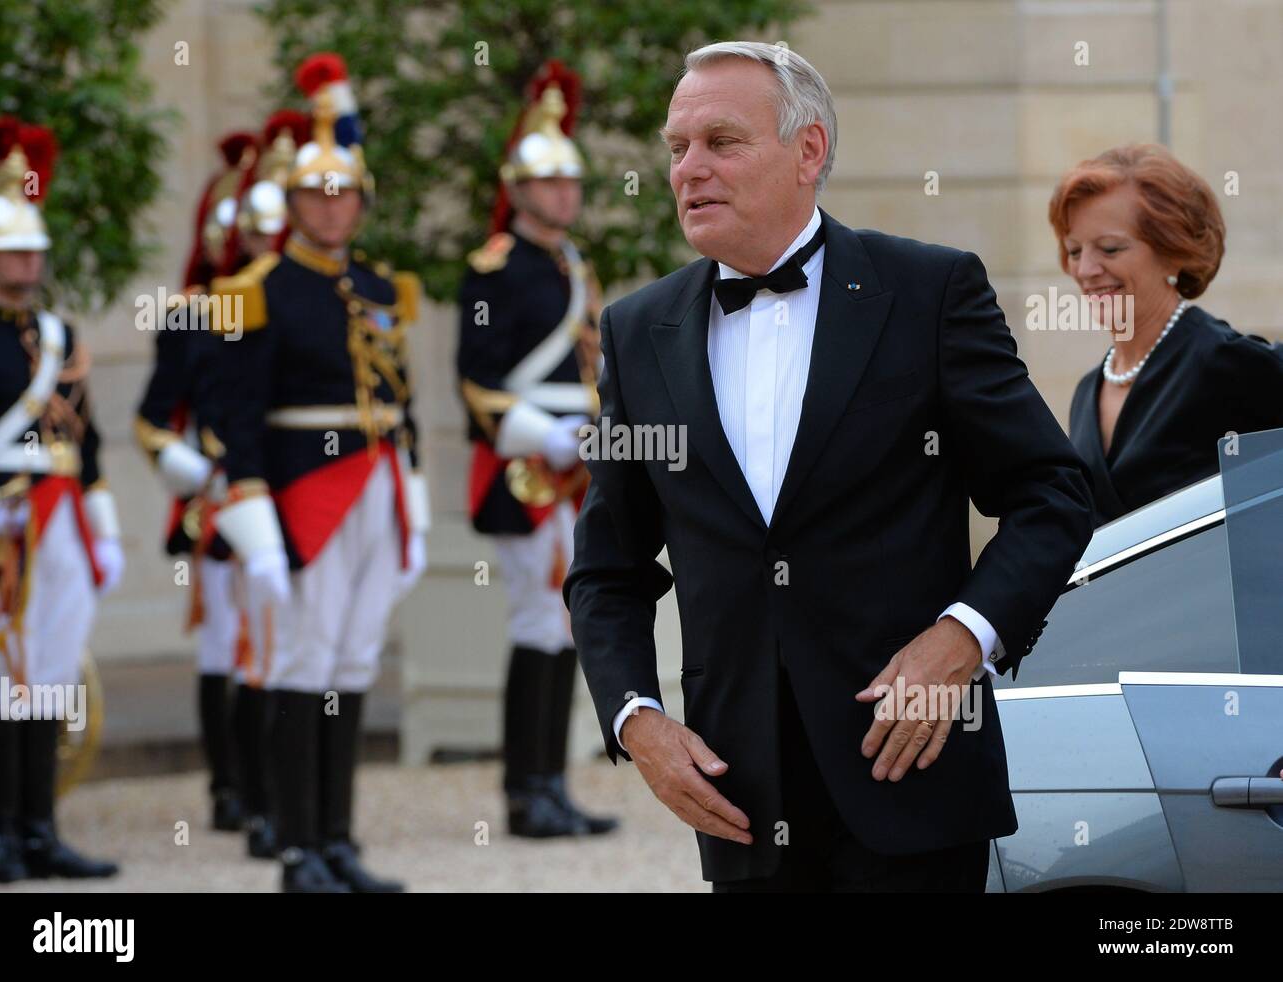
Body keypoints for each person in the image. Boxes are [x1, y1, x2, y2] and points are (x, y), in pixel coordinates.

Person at [562, 42, 1094, 892]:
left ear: (808, 152)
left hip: (911, 781)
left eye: (721, 143)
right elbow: (606, 568)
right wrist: (637, 721)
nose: (688, 169)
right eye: (677, 148)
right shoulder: (636, 332)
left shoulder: (929, 293)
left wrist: (963, 640)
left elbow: (1052, 494)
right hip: (739, 800)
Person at [208, 53, 427, 893]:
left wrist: (410, 492)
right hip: (305, 490)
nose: (330, 207)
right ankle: (297, 846)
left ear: (359, 203)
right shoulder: (259, 289)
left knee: (355, 661)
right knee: (306, 659)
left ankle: (338, 840)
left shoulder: (375, 285)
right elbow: (236, 420)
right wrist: (254, 517)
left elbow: (398, 399)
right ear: (292, 203)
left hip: (375, 482)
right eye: (314, 194)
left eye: (343, 194)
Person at [456, 61, 617, 838]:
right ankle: (525, 791)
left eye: (570, 183)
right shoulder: (491, 272)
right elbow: (477, 383)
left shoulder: (574, 268)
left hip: (577, 459)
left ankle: (550, 783)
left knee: (566, 629)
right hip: (524, 464)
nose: (564, 196)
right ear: (517, 189)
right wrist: (548, 433)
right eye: (548, 184)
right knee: (537, 624)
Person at [0, 117, 123, 882]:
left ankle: (39, 826)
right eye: (12, 249)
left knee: (53, 668)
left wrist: (101, 521)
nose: (27, 261)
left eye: (33, 248)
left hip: (60, 510)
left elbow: (86, 435)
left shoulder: (58, 333)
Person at [134, 129, 260, 843]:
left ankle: (273, 786)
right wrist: (197, 477)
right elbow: (154, 419)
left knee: (282, 647)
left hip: (281, 495)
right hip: (216, 501)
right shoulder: (190, 315)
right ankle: (227, 788)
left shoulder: (281, 301)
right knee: (222, 648)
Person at [1050, 144, 1283, 526]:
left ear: (1173, 250)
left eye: (1110, 248)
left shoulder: (1226, 363)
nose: (1087, 269)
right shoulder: (1087, 390)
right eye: (1074, 251)